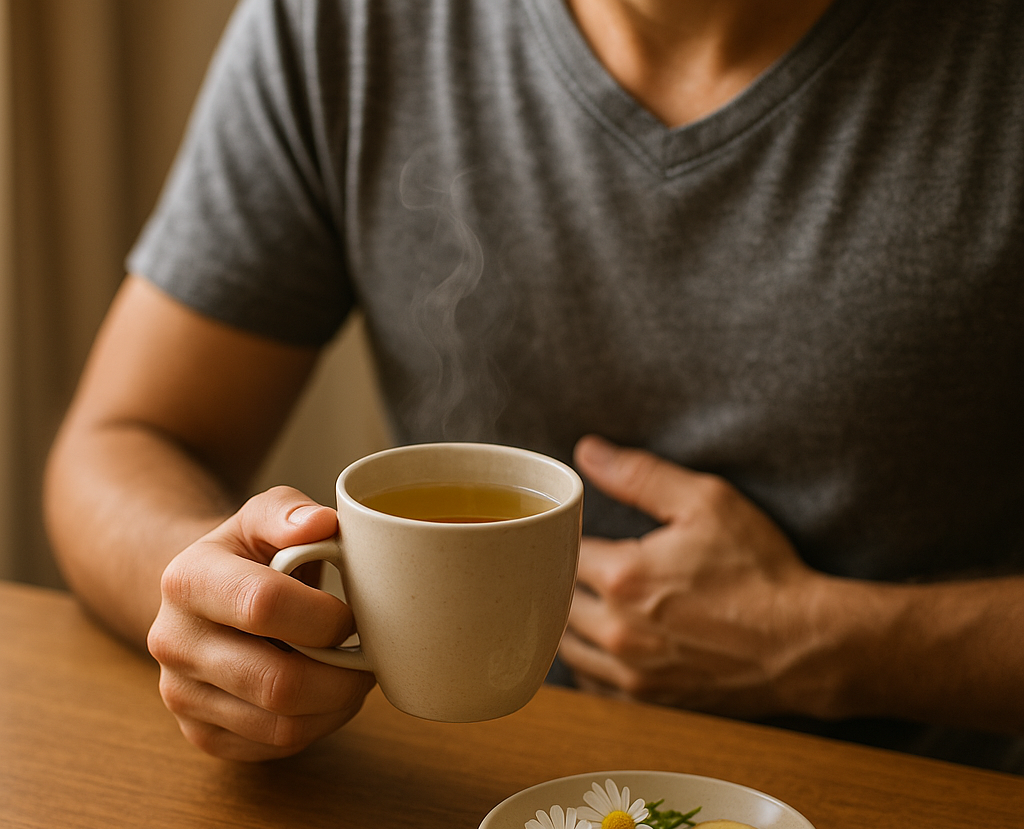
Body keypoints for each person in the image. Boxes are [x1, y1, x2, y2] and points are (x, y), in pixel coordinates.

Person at [44, 0, 1024, 767]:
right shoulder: (340, 24)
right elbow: (121, 442)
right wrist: (223, 612)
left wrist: (840, 646)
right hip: (466, 808)